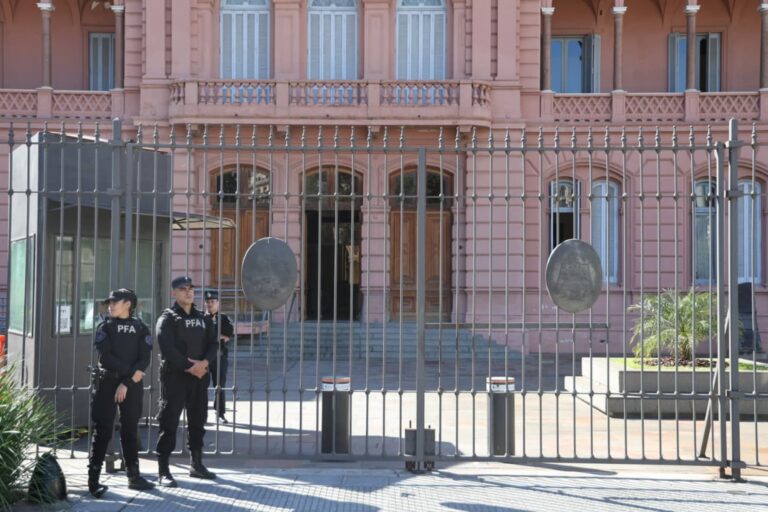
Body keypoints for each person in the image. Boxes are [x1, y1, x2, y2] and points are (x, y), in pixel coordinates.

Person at [88, 288, 155, 498]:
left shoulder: (141, 328)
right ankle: (93, 480)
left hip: (130, 385)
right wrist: (129, 374)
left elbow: (144, 359)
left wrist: (125, 383)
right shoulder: (105, 327)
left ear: (128, 304)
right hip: (108, 382)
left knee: (130, 428)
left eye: (114, 302)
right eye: (109, 303)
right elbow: (105, 357)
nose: (110, 306)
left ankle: (134, 476)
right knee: (103, 430)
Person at [154, 276, 218, 487]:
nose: (189, 292)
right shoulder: (168, 318)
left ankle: (196, 465)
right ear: (174, 292)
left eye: (191, 288)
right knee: (169, 423)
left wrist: (204, 363)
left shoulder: (203, 318)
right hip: (176, 377)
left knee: (198, 421)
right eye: (183, 289)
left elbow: (213, 344)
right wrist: (191, 366)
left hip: (199, 378)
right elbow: (167, 349)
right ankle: (163, 470)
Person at [203, 290, 234, 424]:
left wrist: (211, 335)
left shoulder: (224, 318)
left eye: (212, 301)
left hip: (219, 356)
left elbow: (229, 333)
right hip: (203, 358)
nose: (210, 304)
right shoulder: (201, 318)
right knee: (201, 386)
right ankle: (201, 413)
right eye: (208, 302)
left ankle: (220, 413)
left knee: (219, 386)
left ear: (218, 302)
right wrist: (218, 335)